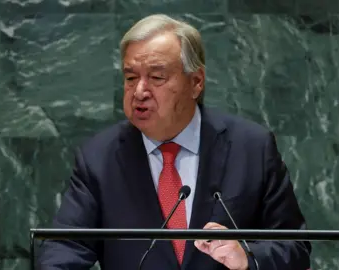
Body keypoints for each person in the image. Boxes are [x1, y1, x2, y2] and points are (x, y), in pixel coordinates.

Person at [38, 14, 311, 270]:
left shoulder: (252, 148)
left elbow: (294, 248)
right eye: (131, 78)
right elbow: (64, 248)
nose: (140, 91)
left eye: (156, 77)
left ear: (196, 82)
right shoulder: (99, 158)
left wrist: (247, 257)